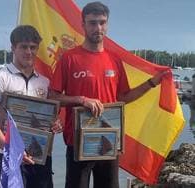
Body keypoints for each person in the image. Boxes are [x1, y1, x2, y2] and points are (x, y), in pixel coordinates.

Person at [49, 2, 168, 188]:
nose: (98, 28)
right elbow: (53, 97)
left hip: (109, 140)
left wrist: (152, 83)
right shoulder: (69, 58)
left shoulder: (114, 60)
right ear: (83, 25)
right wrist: (82, 100)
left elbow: (123, 97)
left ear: (108, 24)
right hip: (78, 142)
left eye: (102, 22)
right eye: (93, 23)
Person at [0, 25, 62, 188]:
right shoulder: (0, 78)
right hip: (9, 157)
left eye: (33, 47)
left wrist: (55, 123)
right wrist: (13, 150)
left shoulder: (44, 83)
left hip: (40, 157)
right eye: (23, 47)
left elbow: (48, 119)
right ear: (13, 48)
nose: (28, 52)